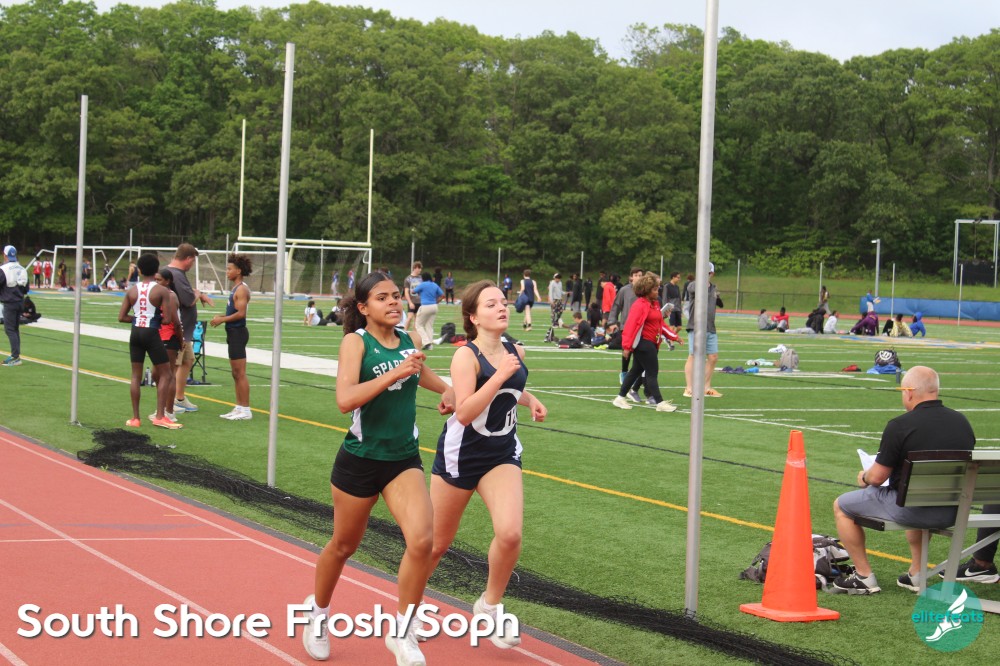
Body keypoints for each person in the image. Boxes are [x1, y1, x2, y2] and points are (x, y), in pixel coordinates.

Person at [301, 271, 454, 664]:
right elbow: (345, 399)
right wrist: (394, 373)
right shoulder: (356, 342)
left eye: (395, 296)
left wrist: (447, 389)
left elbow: (419, 372)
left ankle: (402, 632)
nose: (393, 302)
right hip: (361, 459)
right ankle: (317, 613)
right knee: (344, 545)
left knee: (422, 541)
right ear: (364, 307)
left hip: (403, 459)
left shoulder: (408, 339)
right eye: (382, 298)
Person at [428, 280, 547, 651]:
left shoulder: (515, 350)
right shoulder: (466, 357)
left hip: (501, 453)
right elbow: (464, 412)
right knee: (435, 544)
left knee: (510, 534)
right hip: (462, 456)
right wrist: (499, 375)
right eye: (491, 304)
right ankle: (408, 609)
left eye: (503, 302)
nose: (502, 307)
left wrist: (530, 399)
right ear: (473, 317)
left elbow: (511, 389)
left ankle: (489, 605)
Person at [831, 366, 976, 594]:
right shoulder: (962, 422)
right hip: (952, 510)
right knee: (917, 492)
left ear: (909, 392)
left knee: (841, 506)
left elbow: (877, 477)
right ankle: (916, 573)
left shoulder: (900, 425)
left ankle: (864, 576)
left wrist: (864, 477)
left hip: (912, 508)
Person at [117, 253, 181, 429]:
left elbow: (121, 317)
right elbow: (167, 319)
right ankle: (160, 416)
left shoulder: (132, 290)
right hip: (151, 333)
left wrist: (139, 318)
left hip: (135, 333)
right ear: (156, 269)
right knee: (166, 374)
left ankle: (135, 418)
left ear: (139, 270)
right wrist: (151, 319)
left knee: (135, 376)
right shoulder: (161, 291)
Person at [611, 272, 677, 413]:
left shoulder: (654, 304)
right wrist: (627, 347)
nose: (657, 291)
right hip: (644, 343)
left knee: (635, 371)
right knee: (652, 373)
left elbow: (660, 323)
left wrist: (673, 336)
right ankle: (660, 403)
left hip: (652, 342)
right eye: (655, 289)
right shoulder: (639, 305)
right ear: (647, 291)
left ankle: (620, 397)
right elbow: (630, 326)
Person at [164, 243, 214, 415]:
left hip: (182, 330)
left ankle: (179, 398)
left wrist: (198, 293)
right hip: (176, 330)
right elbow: (187, 300)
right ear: (188, 259)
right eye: (193, 261)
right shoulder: (177, 274)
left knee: (187, 360)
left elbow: (184, 292)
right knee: (174, 366)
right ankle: (169, 403)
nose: (192, 265)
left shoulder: (172, 272)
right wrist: (198, 294)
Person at [210, 254, 253, 421]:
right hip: (233, 332)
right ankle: (239, 407)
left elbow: (241, 314)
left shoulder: (241, 289)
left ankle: (246, 409)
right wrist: (222, 316)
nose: (227, 272)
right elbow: (234, 312)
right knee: (235, 373)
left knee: (240, 373)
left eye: (229, 269)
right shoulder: (236, 288)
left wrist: (222, 320)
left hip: (238, 333)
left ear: (238, 271)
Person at [684, 263, 723, 398]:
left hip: (710, 327)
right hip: (696, 326)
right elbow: (691, 288)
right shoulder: (694, 285)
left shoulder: (713, 288)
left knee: (713, 357)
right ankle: (689, 387)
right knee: (693, 355)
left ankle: (705, 386)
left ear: (712, 274)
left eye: (708, 273)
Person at [608, 267, 646, 400]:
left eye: (640, 275)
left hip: (642, 327)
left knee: (640, 355)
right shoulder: (625, 290)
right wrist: (612, 322)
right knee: (627, 351)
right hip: (626, 326)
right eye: (636, 275)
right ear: (631, 277)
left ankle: (634, 385)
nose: (638, 277)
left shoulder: (645, 290)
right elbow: (616, 306)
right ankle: (624, 372)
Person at [152, 269, 183, 424]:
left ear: (168, 281)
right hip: (157, 338)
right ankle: (161, 408)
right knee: (156, 374)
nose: (156, 283)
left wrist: (181, 341)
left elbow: (176, 322)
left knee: (168, 375)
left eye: (159, 280)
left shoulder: (170, 296)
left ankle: (169, 412)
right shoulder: (158, 295)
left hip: (169, 338)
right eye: (155, 280)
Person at [1, 245, 29, 366]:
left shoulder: (3, 269)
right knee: (15, 329)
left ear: (5, 255)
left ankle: (15, 356)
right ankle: (15, 355)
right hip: (19, 301)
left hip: (9, 303)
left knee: (9, 329)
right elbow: (26, 289)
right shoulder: (22, 268)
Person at [412, 271, 444, 350]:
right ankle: (430, 345)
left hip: (425, 306)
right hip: (434, 306)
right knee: (429, 326)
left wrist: (420, 291)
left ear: (423, 278)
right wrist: (437, 301)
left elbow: (413, 291)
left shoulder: (423, 284)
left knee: (418, 325)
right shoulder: (434, 284)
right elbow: (442, 295)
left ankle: (426, 342)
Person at [403, 261, 423, 332]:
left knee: (417, 320)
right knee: (410, 317)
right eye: (419, 268)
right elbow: (406, 292)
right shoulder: (408, 278)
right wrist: (410, 302)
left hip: (420, 301)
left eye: (420, 268)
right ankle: (404, 331)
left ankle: (414, 334)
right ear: (415, 268)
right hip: (412, 301)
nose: (420, 270)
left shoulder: (421, 278)